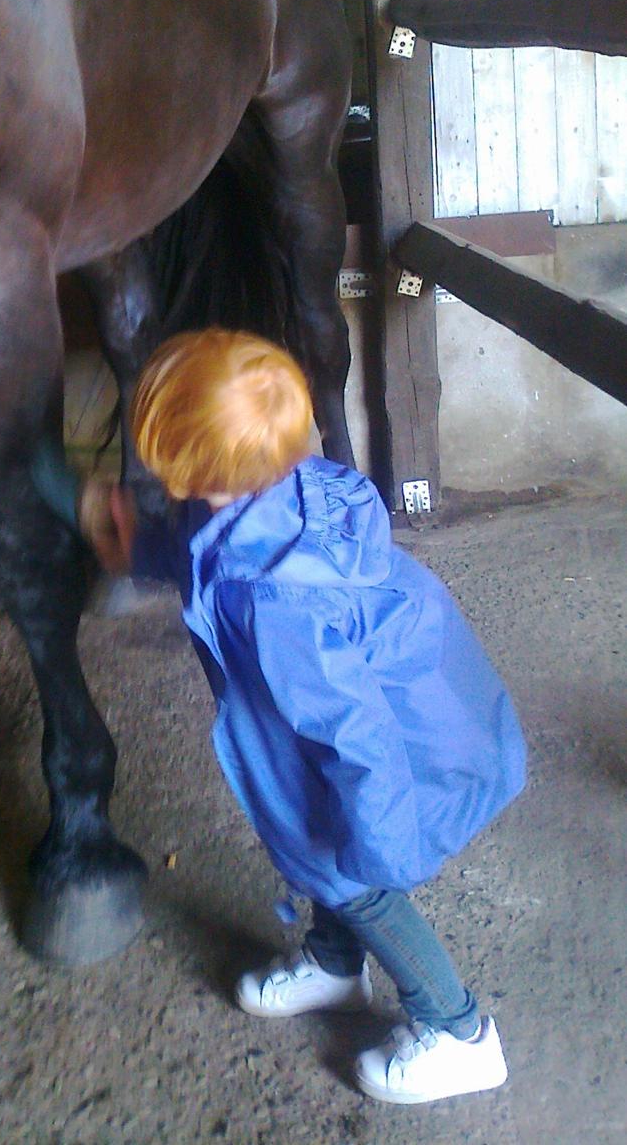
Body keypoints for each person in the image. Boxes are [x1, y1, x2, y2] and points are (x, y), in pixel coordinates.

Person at [69, 329, 526, 1106]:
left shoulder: (281, 603)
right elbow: (197, 549)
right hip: (338, 736)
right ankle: (334, 962)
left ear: (180, 465)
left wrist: (379, 848)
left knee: (354, 878)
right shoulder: (264, 488)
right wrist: (134, 548)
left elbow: (358, 737)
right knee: (314, 842)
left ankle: (457, 1031)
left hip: (380, 754)